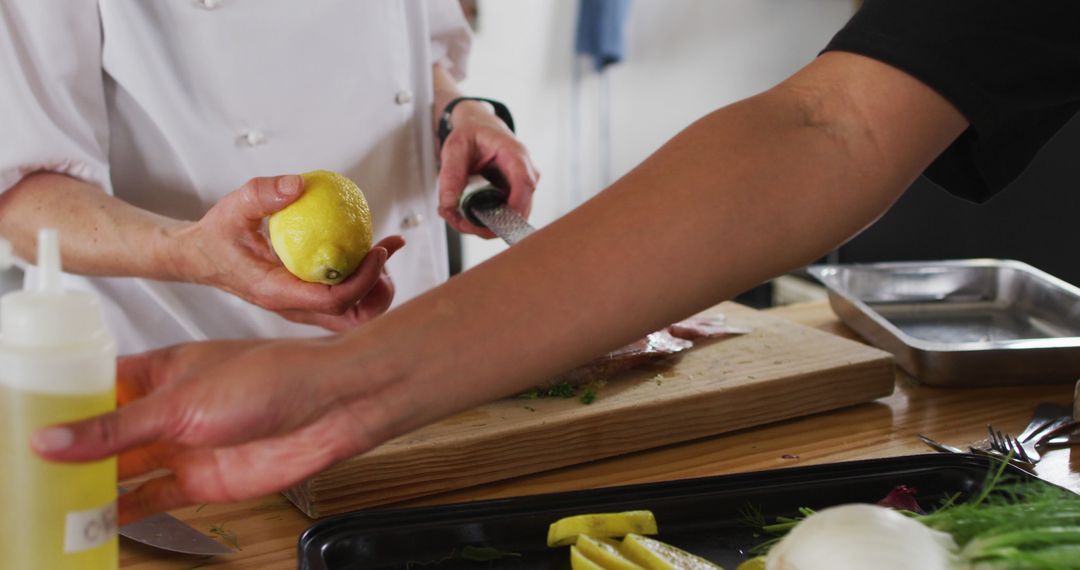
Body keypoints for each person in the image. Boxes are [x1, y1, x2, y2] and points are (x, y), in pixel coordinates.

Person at [32, 0, 1080, 523]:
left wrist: (459, 105)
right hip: (194, 376)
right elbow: (831, 125)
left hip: (420, 367)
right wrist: (342, 383)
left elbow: (427, 37)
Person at [0, 0, 539, 352]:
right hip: (184, 364)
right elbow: (23, 198)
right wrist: (192, 253)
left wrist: (456, 111)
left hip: (408, 348)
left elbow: (416, 53)